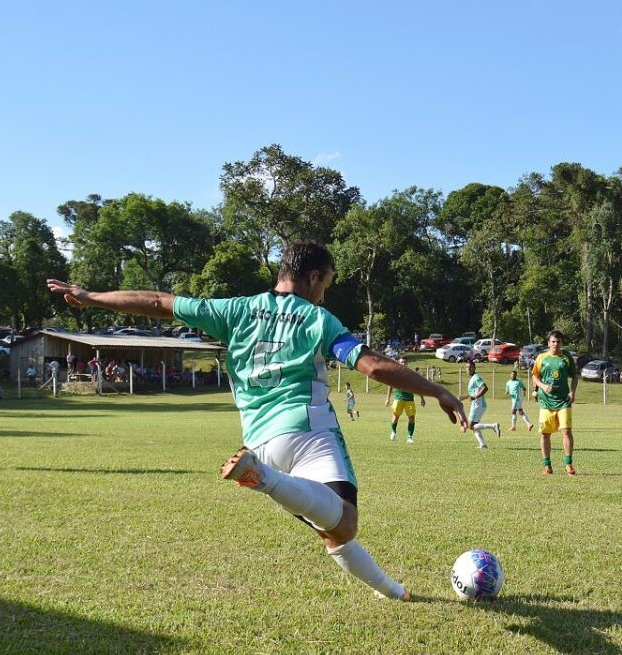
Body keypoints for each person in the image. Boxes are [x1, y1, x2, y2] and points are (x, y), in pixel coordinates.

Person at [48, 241, 467, 601]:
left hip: (261, 439)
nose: (324, 294)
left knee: (334, 534)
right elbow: (371, 366)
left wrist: (91, 296)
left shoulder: (236, 310)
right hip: (307, 429)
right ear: (314, 276)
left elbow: (159, 303)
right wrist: (440, 390)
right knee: (344, 519)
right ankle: (262, 479)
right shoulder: (318, 319)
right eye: (326, 284)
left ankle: (394, 591)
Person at [531, 330, 578, 476]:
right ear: (548, 343)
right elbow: (534, 376)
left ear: (562, 343)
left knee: (566, 431)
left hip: (564, 401)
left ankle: (568, 464)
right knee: (545, 434)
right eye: (553, 341)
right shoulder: (541, 358)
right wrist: (543, 386)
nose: (556, 344)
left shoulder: (566, 357)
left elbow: (575, 376)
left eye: (558, 342)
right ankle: (547, 466)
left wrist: (572, 392)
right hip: (546, 402)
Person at [462, 359, 501, 449]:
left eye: (470, 367)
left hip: (478, 404)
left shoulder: (476, 378)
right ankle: (482, 444)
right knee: (474, 426)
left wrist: (475, 397)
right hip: (477, 404)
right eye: (467, 367)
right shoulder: (473, 378)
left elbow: (485, 388)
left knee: (470, 425)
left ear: (474, 368)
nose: (468, 369)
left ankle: (493, 426)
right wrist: (464, 397)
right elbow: (474, 393)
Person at [385, 357, 425, 443]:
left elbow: (417, 387)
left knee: (411, 418)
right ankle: (393, 432)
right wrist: (387, 399)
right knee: (396, 416)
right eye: (401, 362)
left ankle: (410, 437)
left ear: (407, 363)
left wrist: (422, 398)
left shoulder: (411, 374)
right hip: (398, 398)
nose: (403, 363)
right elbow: (390, 387)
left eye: (404, 362)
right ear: (398, 363)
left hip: (409, 399)